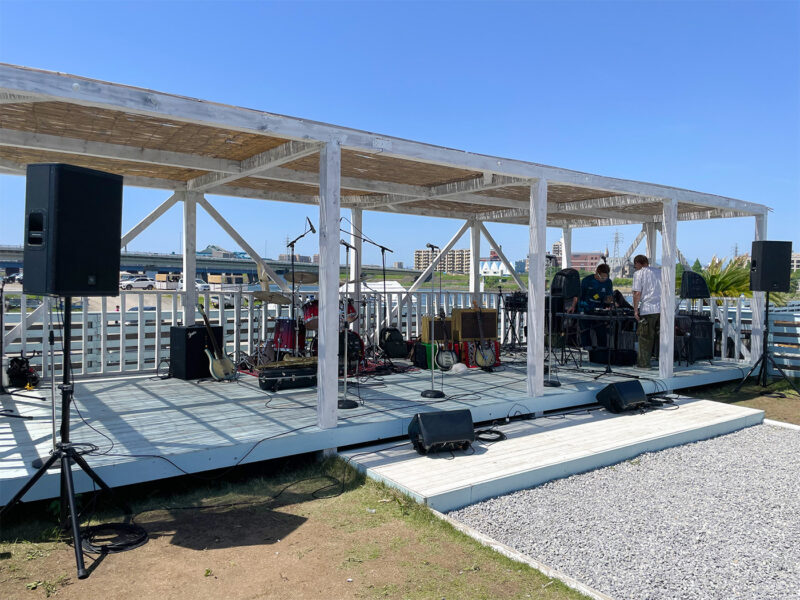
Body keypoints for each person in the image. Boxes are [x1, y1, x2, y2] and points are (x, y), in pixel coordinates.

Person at [567, 263, 614, 348]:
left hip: (599, 311)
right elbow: (578, 295)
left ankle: (601, 352)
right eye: (602, 277)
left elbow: (609, 296)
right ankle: (587, 350)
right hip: (585, 309)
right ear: (597, 273)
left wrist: (610, 304)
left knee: (601, 334)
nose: (603, 280)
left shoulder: (608, 282)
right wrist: (573, 306)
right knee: (585, 333)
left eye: (605, 278)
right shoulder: (587, 281)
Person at [632, 254, 662, 368]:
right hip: (662, 309)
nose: (635, 268)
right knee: (661, 338)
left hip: (648, 309)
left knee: (645, 338)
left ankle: (644, 364)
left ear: (638, 263)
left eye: (635, 266)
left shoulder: (638, 274)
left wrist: (635, 310)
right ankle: (664, 362)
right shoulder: (660, 272)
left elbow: (637, 293)